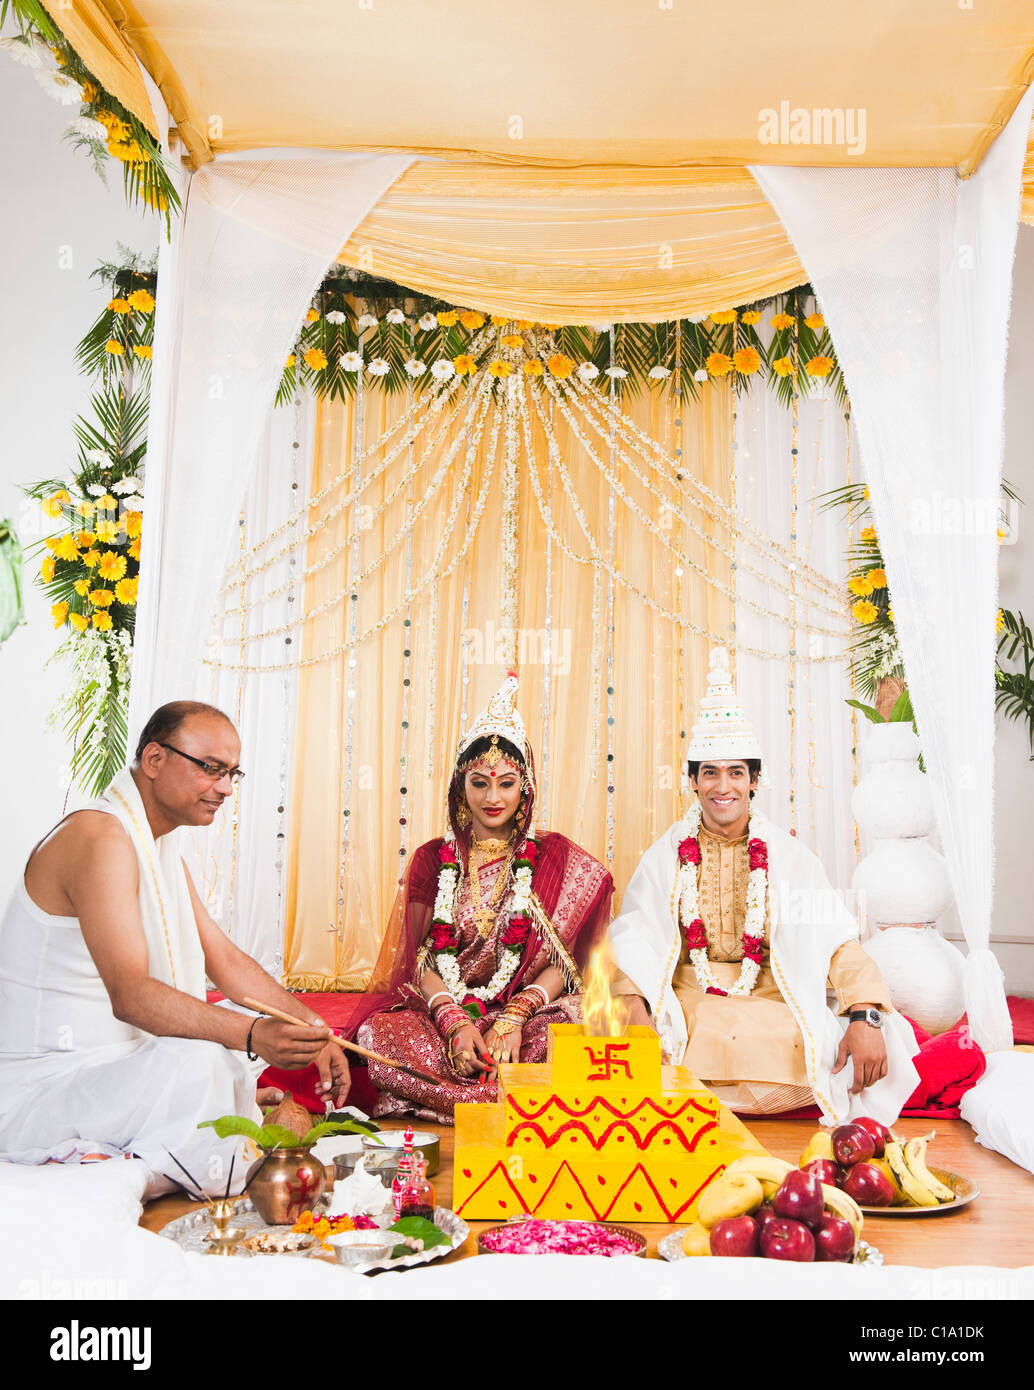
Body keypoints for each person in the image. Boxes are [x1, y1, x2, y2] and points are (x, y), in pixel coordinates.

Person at [0, 701, 350, 1196]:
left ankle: (196, 1133)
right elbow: (133, 997)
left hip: (111, 1074)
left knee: (216, 1050)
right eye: (210, 768)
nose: (226, 788)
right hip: (45, 1091)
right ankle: (150, 1153)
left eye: (232, 773)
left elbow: (224, 961)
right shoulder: (97, 836)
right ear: (154, 760)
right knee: (209, 1059)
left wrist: (312, 1030)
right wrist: (253, 1036)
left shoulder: (153, 846)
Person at [609, 647, 920, 1124]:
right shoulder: (666, 855)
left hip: (774, 994)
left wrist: (865, 1014)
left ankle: (708, 1098)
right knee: (670, 1030)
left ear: (755, 780)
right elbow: (635, 936)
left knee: (862, 1038)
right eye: (709, 772)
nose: (723, 786)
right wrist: (633, 1005)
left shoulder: (789, 857)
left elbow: (836, 943)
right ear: (693, 782)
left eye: (736, 772)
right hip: (694, 994)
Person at [356, 673, 613, 1123]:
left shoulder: (553, 856)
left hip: (528, 1011)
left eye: (507, 783)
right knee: (381, 1032)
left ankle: (446, 1097)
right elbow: (423, 961)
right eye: (479, 783)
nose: (493, 797)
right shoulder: (432, 859)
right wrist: (454, 1022)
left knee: (575, 1025)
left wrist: (514, 1016)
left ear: (525, 787)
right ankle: (516, 1097)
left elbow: (564, 960)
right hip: (448, 1010)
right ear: (460, 787)